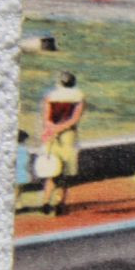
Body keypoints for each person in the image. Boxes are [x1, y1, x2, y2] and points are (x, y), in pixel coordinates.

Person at [38, 71, 85, 216]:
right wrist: (61, 128)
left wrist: (52, 129)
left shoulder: (50, 96)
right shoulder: (79, 97)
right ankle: (59, 203)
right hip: (68, 135)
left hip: (51, 133)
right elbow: (74, 119)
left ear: (59, 82)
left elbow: (46, 118)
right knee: (65, 172)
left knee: (51, 169)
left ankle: (45, 202)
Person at [15, 130, 32, 212]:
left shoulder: (21, 148)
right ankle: (17, 205)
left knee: (19, 189)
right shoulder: (21, 148)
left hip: (20, 170)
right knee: (17, 189)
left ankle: (18, 205)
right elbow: (25, 160)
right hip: (19, 171)